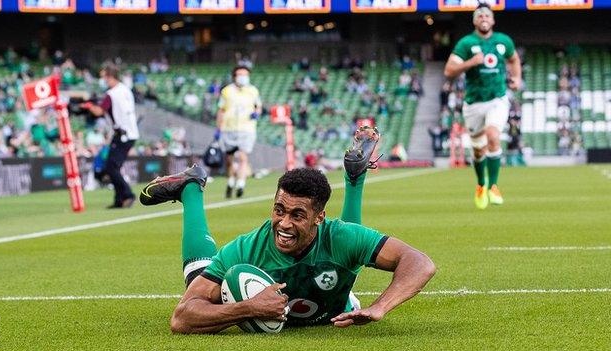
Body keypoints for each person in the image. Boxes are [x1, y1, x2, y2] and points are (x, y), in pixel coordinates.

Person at [139, 126, 435, 334]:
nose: (283, 223)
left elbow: (420, 263)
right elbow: (181, 318)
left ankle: (354, 181)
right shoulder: (245, 250)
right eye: (279, 210)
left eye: (297, 215)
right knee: (197, 276)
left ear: (319, 218)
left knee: (346, 245)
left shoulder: (337, 235)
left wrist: (381, 307)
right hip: (295, 284)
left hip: (337, 301)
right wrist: (249, 308)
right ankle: (192, 188)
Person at [443, 4, 521, 210]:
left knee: (493, 135)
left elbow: (514, 59)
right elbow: (449, 70)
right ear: (475, 21)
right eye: (480, 16)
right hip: (473, 103)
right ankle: (481, 184)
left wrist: (517, 78)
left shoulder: (503, 41)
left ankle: (494, 186)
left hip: (497, 98)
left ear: (493, 20)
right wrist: (470, 63)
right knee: (478, 151)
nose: (484, 18)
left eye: (487, 15)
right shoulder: (466, 43)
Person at [83, 63, 139, 208]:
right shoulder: (126, 90)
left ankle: (127, 195)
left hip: (122, 135)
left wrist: (88, 105)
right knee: (113, 167)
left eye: (103, 76)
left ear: (109, 76)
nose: (102, 80)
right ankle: (119, 200)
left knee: (111, 168)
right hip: (130, 133)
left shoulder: (112, 94)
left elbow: (99, 112)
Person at [215, 66, 262, 199]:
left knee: (243, 157)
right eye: (240, 74)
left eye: (245, 74)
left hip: (246, 129)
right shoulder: (226, 91)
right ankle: (230, 182)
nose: (243, 77)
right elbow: (221, 110)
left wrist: (256, 114)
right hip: (228, 129)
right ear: (234, 76)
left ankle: (241, 184)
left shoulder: (253, 91)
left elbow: (258, 106)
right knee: (229, 160)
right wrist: (218, 129)